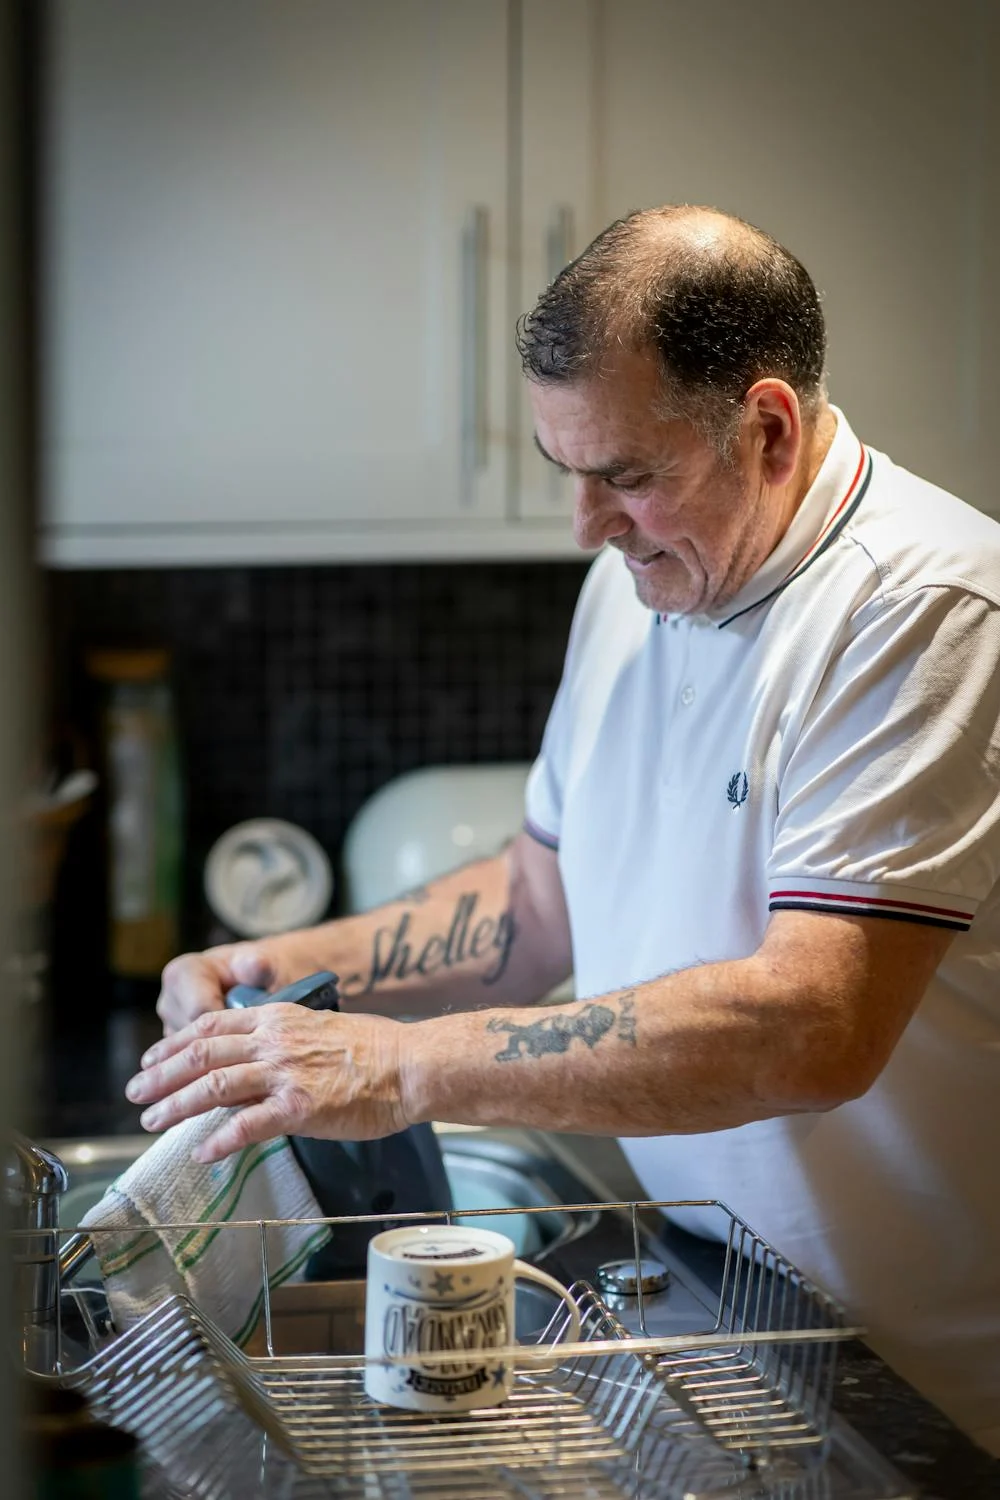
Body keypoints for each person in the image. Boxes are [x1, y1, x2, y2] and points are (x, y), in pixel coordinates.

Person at [129, 206, 1000, 1454]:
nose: (586, 526)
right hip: (716, 1307)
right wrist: (276, 976)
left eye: (626, 476)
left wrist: (400, 1066)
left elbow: (816, 1025)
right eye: (569, 473)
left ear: (766, 429)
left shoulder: (927, 613)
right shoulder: (638, 578)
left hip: (922, 1386)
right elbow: (539, 907)